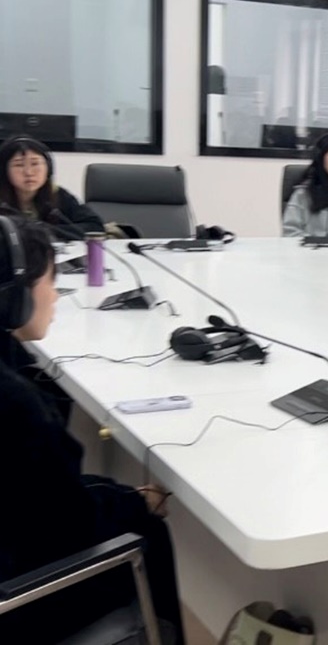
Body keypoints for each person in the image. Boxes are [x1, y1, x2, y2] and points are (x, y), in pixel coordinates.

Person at [0, 216, 185, 643]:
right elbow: (69, 526)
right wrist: (136, 503)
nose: (56, 296)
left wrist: (118, 494)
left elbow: (43, 495)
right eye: (50, 281)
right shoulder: (17, 406)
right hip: (20, 604)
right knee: (148, 530)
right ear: (15, 296)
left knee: (111, 494)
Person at [0, 135, 105, 239]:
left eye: (35, 163)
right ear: (4, 171)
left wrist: (45, 230)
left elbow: (95, 227)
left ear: (48, 168)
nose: (29, 172)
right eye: (19, 165)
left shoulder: (58, 194)